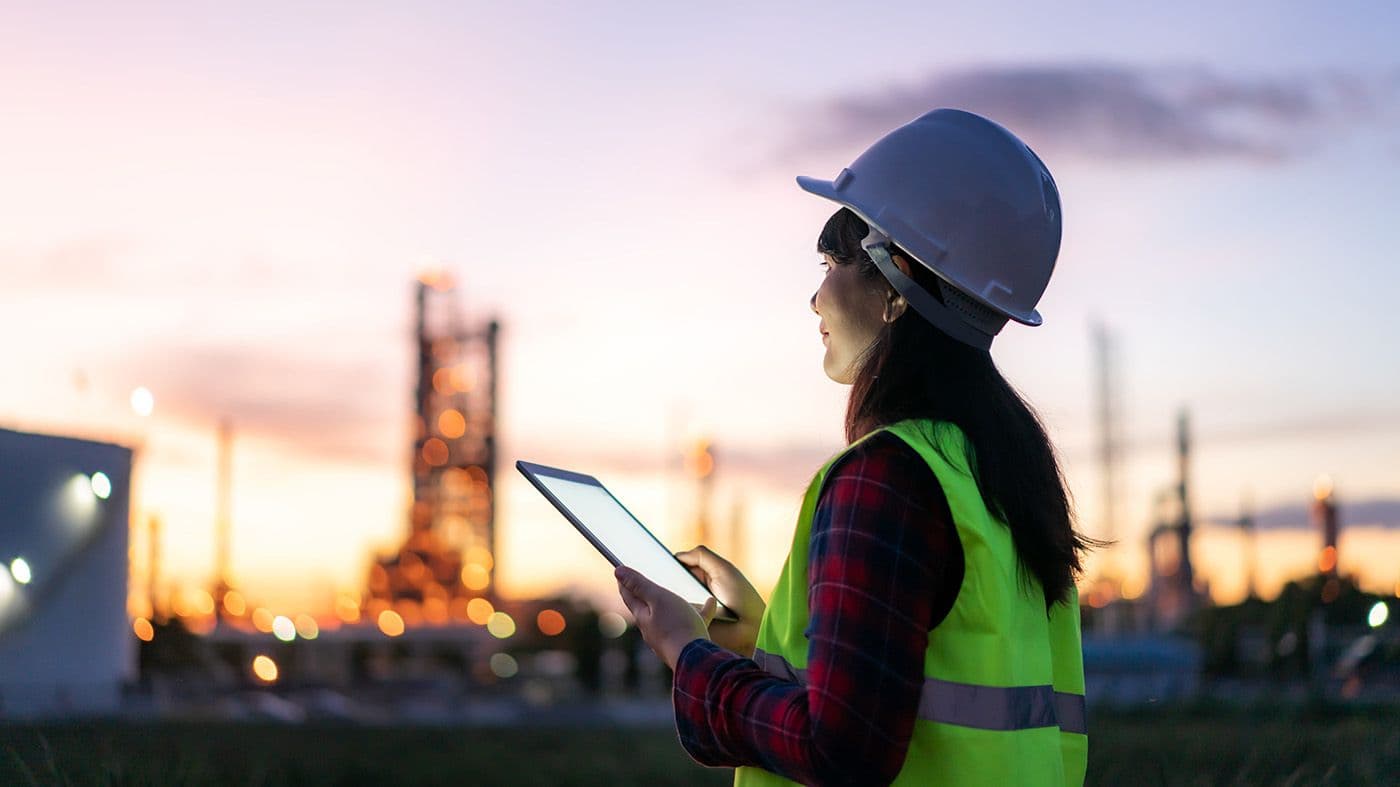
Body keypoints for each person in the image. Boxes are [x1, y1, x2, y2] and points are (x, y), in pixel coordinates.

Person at [615, 108, 1095, 786]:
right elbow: (916, 691)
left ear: (896, 280)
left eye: (833, 262)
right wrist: (756, 636)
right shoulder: (995, 474)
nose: (815, 297)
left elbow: (843, 746)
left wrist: (683, 648)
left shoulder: (886, 478)